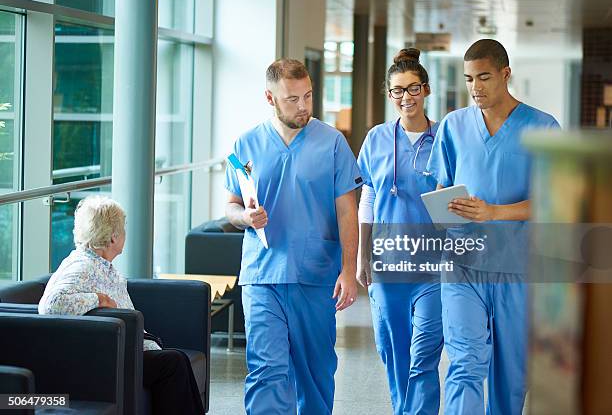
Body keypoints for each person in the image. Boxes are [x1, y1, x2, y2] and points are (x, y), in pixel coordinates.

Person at [427, 39, 560, 414]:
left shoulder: (543, 127)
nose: (475, 88)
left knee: (510, 376)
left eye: (483, 77)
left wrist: (493, 213)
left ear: (505, 74)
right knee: (465, 363)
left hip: (516, 268)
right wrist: (443, 213)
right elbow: (442, 186)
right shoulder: (453, 125)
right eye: (469, 79)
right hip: (462, 266)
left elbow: (552, 202)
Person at [225, 58, 361, 415]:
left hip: (315, 275)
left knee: (315, 374)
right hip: (262, 274)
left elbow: (348, 211)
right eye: (292, 99)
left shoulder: (332, 143)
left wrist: (349, 271)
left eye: (308, 96)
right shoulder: (246, 143)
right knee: (267, 369)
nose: (303, 107)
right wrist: (246, 217)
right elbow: (231, 206)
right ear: (270, 98)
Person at [39, 195, 204, 415]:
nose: (126, 234)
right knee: (173, 362)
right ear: (113, 238)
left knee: (176, 360)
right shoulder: (83, 266)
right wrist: (98, 299)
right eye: (123, 229)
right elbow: (50, 304)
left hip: (128, 347)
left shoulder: (101, 264)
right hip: (110, 354)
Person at [356, 48, 443, 415]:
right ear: (388, 93)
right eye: (397, 90)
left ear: (425, 90)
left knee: (424, 350)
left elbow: (455, 197)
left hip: (435, 265)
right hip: (387, 261)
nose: (405, 97)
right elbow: (369, 197)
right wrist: (362, 257)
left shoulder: (444, 137)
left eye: (412, 89)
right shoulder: (376, 138)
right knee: (393, 349)